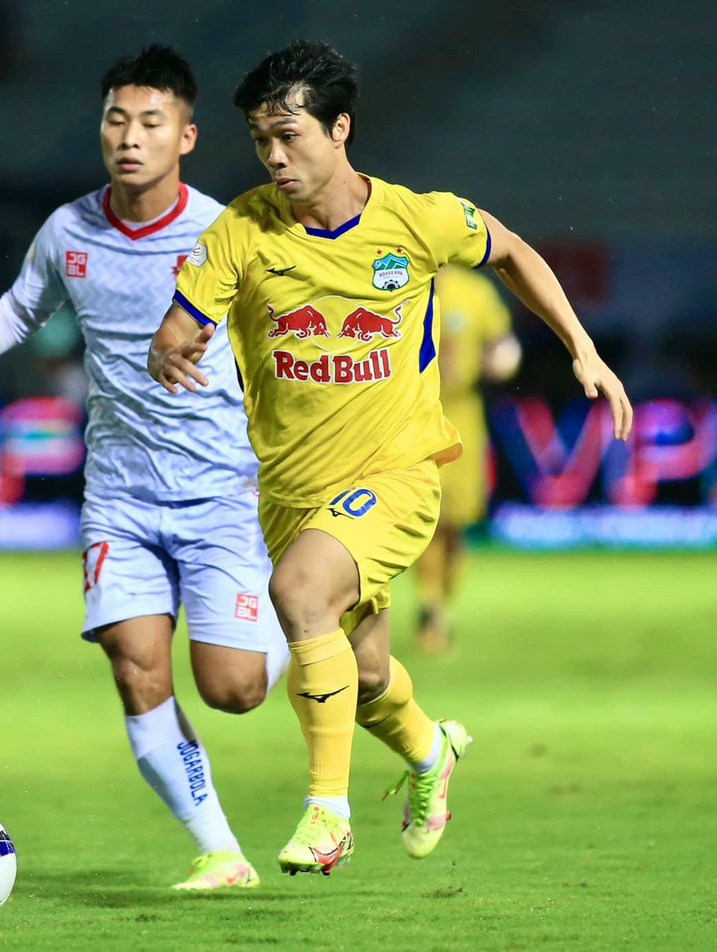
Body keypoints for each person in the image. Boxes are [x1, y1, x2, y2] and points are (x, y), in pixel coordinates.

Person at [148, 40, 632, 876]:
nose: (274, 157)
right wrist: (168, 349)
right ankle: (430, 752)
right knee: (366, 674)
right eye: (261, 140)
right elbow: (178, 326)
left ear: (340, 128)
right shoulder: (241, 231)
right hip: (292, 493)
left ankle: (327, 815)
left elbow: (512, 251)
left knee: (299, 594)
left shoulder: (416, 220)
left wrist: (582, 348)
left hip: (397, 474)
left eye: (289, 136)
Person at [0, 45, 287, 891]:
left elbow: (287, 334)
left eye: (150, 123)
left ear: (187, 137)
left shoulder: (225, 232)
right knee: (136, 666)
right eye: (116, 120)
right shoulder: (70, 230)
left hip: (221, 491)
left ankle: (295, 606)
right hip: (120, 498)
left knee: (233, 689)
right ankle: (220, 850)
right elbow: (16, 313)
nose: (129, 137)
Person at [414, 266, 521, 654]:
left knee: (454, 523)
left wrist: (502, 360)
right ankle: (428, 602)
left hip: (462, 418)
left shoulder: (474, 292)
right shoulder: (397, 281)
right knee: (422, 519)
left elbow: (501, 343)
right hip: (411, 416)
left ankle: (441, 604)